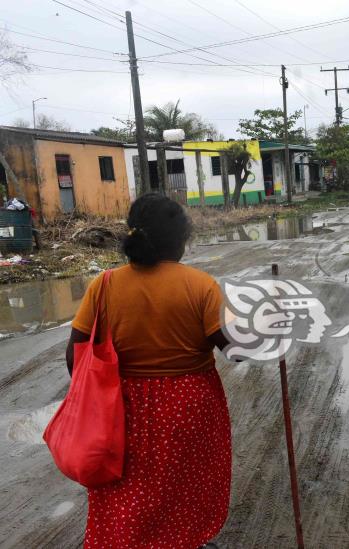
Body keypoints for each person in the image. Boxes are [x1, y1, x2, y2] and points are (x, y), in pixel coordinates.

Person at [67, 193, 232, 549]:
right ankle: (184, 540)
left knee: (127, 486)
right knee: (185, 482)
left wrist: (96, 400)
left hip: (121, 406)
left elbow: (75, 353)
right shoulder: (200, 286)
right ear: (180, 238)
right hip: (189, 405)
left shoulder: (104, 285)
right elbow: (233, 348)